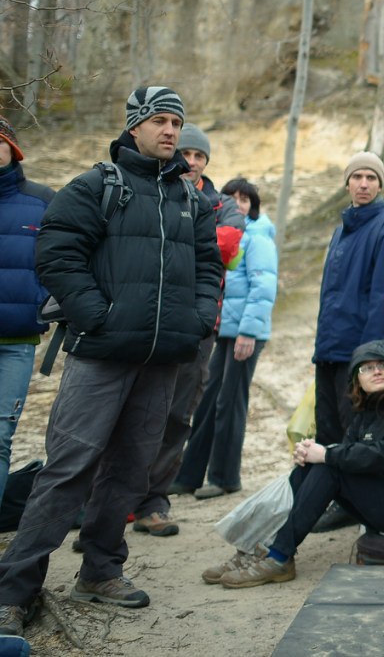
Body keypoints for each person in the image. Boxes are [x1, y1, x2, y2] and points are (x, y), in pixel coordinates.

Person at [0, 86, 221, 638]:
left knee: (129, 471)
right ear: (135, 126)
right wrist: (95, 315)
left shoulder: (191, 200)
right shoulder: (97, 186)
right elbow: (55, 252)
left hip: (163, 357)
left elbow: (209, 269)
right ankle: (15, 589)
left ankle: (100, 570)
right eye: (161, 121)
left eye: (177, 122)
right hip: (100, 354)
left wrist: (195, 319)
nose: (171, 131)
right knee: (68, 469)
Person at [208, 340, 384, 588]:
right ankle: (257, 546)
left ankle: (279, 557)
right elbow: (347, 452)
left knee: (329, 465)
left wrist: (325, 455)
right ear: (356, 380)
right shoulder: (365, 414)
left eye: (381, 365)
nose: (375, 371)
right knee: (314, 465)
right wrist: (309, 453)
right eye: (366, 368)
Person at [131, 122, 245, 534]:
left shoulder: (224, 206)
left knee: (178, 414)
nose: (193, 162)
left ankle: (153, 502)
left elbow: (225, 247)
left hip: (199, 326)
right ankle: (112, 500)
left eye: (201, 157)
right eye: (189, 155)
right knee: (131, 411)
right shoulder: (151, 190)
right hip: (145, 320)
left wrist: (170, 242)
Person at [176, 178, 278, 499]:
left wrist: (248, 332)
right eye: (232, 197)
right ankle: (188, 475)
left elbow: (263, 289)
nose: (239, 203)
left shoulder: (259, 237)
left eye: (245, 199)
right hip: (225, 330)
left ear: (253, 204)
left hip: (245, 334)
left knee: (230, 403)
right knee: (208, 401)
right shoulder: (228, 233)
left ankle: (224, 476)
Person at [312, 152, 384, 446]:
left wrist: (370, 355)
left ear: (379, 185)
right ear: (347, 184)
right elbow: (329, 295)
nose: (364, 184)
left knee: (357, 435)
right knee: (327, 431)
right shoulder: (339, 232)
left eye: (371, 178)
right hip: (328, 350)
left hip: (357, 354)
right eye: (357, 177)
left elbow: (382, 296)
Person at [0, 116, 53, 503]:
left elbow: (61, 259)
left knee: (1, 434)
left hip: (16, 340)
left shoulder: (42, 201)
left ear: (13, 150)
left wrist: (44, 300)